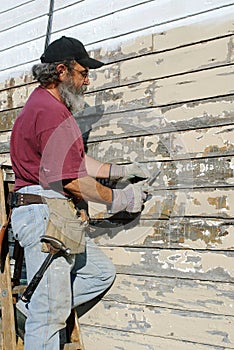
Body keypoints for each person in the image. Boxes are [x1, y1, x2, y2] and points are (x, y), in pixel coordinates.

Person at [10, 36, 150, 350]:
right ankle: (39, 308)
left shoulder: (47, 106)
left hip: (52, 213)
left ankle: (32, 305)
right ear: (61, 70)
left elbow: (74, 161)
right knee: (50, 317)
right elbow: (70, 179)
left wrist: (118, 172)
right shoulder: (50, 112)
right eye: (83, 72)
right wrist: (121, 198)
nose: (87, 80)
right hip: (45, 214)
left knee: (99, 273)